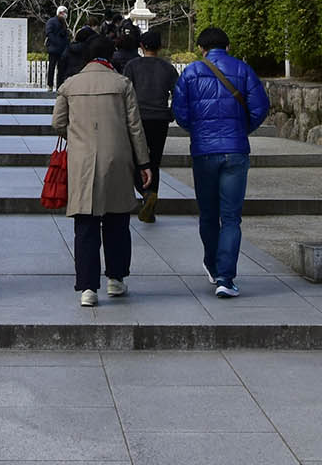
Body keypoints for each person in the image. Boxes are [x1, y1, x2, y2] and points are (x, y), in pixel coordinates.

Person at [170, 26, 270, 298]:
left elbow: (180, 112)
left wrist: (200, 131)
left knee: (208, 213)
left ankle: (213, 266)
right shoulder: (243, 70)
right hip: (235, 150)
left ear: (202, 48)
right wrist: (241, 129)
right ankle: (226, 278)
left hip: (204, 151)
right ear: (227, 46)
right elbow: (261, 107)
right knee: (231, 217)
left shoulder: (191, 72)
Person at [53, 35, 151, 307]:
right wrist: (144, 163)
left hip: (83, 161)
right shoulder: (122, 84)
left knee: (85, 224)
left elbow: (58, 122)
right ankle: (116, 280)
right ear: (111, 56)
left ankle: (87, 288)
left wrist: (78, 135)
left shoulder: (70, 85)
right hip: (117, 160)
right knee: (117, 221)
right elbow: (135, 127)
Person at [122, 30, 179, 223]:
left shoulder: (132, 66)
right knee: (154, 160)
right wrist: (171, 114)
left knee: (136, 158)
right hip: (160, 118)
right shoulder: (168, 68)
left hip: (137, 119)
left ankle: (145, 192)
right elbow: (177, 95)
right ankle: (151, 196)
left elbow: (125, 92)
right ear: (160, 47)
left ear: (141, 46)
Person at [45, 6, 71, 89]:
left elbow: (65, 36)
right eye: (64, 12)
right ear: (59, 12)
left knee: (61, 69)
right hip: (53, 48)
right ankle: (50, 85)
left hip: (62, 50)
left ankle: (59, 86)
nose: (65, 14)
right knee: (51, 67)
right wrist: (56, 42)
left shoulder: (64, 23)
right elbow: (49, 33)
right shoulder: (51, 21)